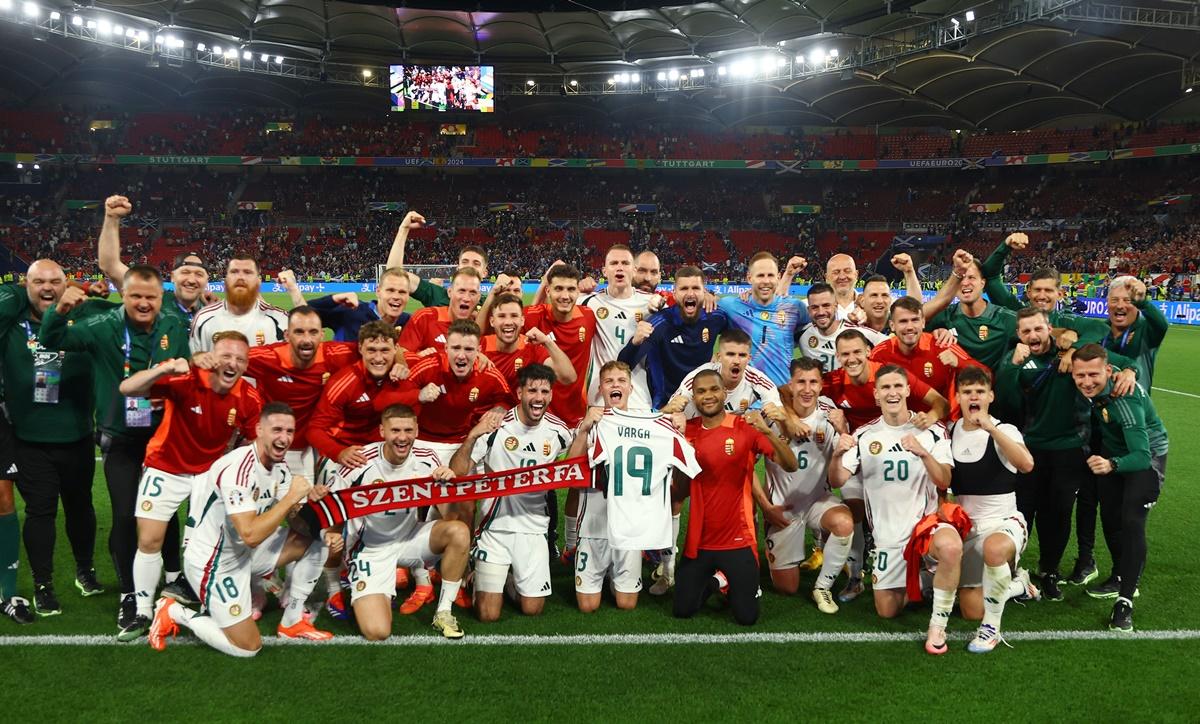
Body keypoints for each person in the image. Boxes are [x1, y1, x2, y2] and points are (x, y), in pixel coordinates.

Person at [39, 265, 191, 639]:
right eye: (135, 295)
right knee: (125, 516)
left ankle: (174, 580)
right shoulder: (103, 326)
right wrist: (59, 310)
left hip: (162, 437)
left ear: (161, 297)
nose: (143, 303)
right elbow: (51, 342)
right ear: (123, 295)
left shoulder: (172, 323)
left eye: (151, 297)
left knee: (166, 511)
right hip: (120, 438)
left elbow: (184, 374)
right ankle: (128, 595)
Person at [147, 403, 336, 655]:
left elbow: (295, 522)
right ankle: (173, 611)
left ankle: (292, 623)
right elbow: (250, 534)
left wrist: (315, 513)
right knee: (247, 648)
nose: (284, 438)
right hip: (214, 562)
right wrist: (291, 497)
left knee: (315, 540)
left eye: (289, 431)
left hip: (246, 552)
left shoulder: (279, 467)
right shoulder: (239, 469)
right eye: (277, 430)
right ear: (259, 430)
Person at [119, 332, 262, 634]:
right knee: (149, 541)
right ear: (212, 356)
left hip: (208, 476)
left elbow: (253, 438)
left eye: (240, 359)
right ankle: (143, 612)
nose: (232, 363)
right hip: (166, 467)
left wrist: (231, 466)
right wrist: (164, 369)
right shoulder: (186, 377)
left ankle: (200, 600)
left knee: (202, 547)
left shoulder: (248, 398)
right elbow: (127, 388)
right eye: (226, 355)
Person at [995, 307, 1138, 600]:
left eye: (1038, 329)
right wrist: (1013, 365)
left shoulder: (1074, 355)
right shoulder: (1018, 360)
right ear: (1018, 335)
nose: (1033, 335)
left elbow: (1118, 358)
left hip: (1069, 450)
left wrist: (1130, 369)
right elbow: (1005, 398)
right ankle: (1013, 572)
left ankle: (1049, 572)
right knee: (1022, 512)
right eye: (1026, 331)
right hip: (1029, 449)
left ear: (1050, 328)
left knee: (1058, 514)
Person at [0, 261, 103, 620]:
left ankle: (85, 570)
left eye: (55, 281)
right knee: (40, 513)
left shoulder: (87, 318)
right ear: (25, 286)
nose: (47, 287)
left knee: (81, 508)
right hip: (29, 439)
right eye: (38, 282)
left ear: (66, 284)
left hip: (77, 436)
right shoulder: (10, 324)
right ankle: (43, 585)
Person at [822, 328, 948, 602]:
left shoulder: (888, 376)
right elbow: (794, 389)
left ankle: (927, 566)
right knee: (854, 509)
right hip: (860, 449)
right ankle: (856, 578)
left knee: (927, 502)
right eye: (845, 354)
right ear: (837, 357)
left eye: (857, 352)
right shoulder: (833, 381)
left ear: (868, 351)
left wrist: (930, 417)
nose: (852, 358)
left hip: (901, 442)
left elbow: (940, 402)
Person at [565, 361, 700, 613]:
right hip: (594, 524)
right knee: (587, 606)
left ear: (629, 388)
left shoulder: (651, 423)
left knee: (626, 604)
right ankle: (602, 571)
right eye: (608, 381)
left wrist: (678, 427)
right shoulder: (592, 421)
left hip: (630, 526)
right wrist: (584, 429)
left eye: (621, 381)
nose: (615, 385)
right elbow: (571, 471)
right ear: (600, 389)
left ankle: (615, 574)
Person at [331, 404, 472, 640]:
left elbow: (450, 517)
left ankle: (444, 612)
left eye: (408, 430)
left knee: (458, 532)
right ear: (382, 431)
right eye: (395, 430)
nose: (402, 437)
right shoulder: (359, 462)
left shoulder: (427, 459)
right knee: (377, 632)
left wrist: (450, 489)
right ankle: (362, 589)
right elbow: (332, 511)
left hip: (409, 539)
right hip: (370, 551)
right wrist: (335, 542)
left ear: (417, 431)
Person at [448, 364, 572, 622]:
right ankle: (480, 574)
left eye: (544, 391)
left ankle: (505, 580)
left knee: (533, 609)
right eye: (532, 390)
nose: (538, 397)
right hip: (495, 528)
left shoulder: (559, 432)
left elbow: (576, 465)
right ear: (519, 393)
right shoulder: (496, 427)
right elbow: (458, 473)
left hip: (535, 529)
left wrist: (584, 431)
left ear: (551, 395)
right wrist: (472, 436)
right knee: (487, 614)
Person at [674, 369, 798, 625]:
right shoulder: (687, 432)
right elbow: (677, 492)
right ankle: (714, 582)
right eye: (701, 391)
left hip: (738, 541)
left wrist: (768, 432)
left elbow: (791, 465)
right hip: (699, 544)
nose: (708, 396)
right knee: (683, 610)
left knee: (746, 617)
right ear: (694, 398)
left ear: (724, 392)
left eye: (713, 389)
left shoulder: (745, 428)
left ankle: (724, 579)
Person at [1071, 344, 1168, 631]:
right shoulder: (1095, 390)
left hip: (1145, 460)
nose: (1087, 381)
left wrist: (1111, 464)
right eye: (1080, 375)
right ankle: (1119, 576)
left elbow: (1140, 454)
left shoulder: (1124, 398)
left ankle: (1125, 601)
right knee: (1111, 518)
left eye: (1093, 374)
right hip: (1114, 455)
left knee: (1131, 521)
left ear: (1108, 371)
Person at [943, 366, 1035, 654]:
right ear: (958, 397)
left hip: (1004, 521)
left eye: (980, 392)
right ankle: (1019, 584)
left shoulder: (1005, 429)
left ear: (990, 396)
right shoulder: (950, 431)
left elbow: (1026, 464)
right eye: (967, 392)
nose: (974, 397)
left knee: (995, 549)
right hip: (968, 527)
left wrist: (991, 429)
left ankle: (991, 629)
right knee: (970, 609)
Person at [761, 358, 855, 613]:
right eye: (801, 381)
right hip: (782, 509)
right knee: (787, 588)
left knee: (844, 522)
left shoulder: (830, 413)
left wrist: (843, 428)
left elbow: (841, 466)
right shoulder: (771, 415)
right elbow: (745, 466)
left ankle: (822, 587)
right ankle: (795, 551)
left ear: (822, 385)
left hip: (816, 500)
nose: (807, 388)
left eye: (813, 382)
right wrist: (765, 507)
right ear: (790, 384)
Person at [307, 321, 419, 471]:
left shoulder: (408, 371)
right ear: (360, 348)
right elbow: (314, 429)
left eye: (385, 350)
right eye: (371, 350)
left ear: (396, 350)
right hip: (347, 453)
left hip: (385, 452)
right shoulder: (344, 383)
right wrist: (339, 453)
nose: (378, 358)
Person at [617, 265, 730, 409]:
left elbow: (741, 339)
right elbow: (623, 366)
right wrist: (635, 342)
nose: (690, 294)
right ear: (675, 294)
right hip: (666, 405)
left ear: (704, 292)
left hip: (703, 402)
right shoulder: (660, 323)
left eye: (696, 288)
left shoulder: (716, 317)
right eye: (684, 289)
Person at [97, 195, 210, 325]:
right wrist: (112, 218)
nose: (191, 279)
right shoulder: (154, 301)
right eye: (185, 272)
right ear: (173, 276)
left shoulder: (216, 312)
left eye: (199, 274)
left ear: (207, 279)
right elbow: (110, 265)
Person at [870, 296, 986, 419]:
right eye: (903, 321)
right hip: (896, 424)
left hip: (942, 423)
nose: (910, 327)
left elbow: (986, 375)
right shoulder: (879, 354)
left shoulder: (942, 344)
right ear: (892, 325)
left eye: (915, 320)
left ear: (923, 322)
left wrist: (959, 363)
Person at [579, 245, 658, 409]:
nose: (619, 267)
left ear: (634, 270)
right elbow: (554, 306)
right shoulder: (589, 302)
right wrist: (578, 288)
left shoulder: (652, 302)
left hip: (640, 400)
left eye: (625, 263)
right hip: (600, 401)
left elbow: (685, 305)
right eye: (614, 263)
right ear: (604, 271)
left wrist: (709, 296)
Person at [717, 252, 809, 387]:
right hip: (747, 400)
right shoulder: (731, 306)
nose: (766, 281)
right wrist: (709, 295)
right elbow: (704, 303)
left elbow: (817, 323)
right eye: (760, 275)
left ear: (778, 277)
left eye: (770, 275)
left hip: (782, 397)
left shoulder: (794, 307)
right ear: (749, 278)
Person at [664, 329, 782, 418]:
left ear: (749, 358)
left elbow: (779, 411)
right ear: (719, 357)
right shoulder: (699, 377)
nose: (736, 361)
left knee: (773, 419)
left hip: (729, 432)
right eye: (730, 354)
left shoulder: (758, 380)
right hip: (696, 428)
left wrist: (780, 414)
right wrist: (670, 408)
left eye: (742, 355)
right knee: (675, 416)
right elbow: (667, 411)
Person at [278, 267, 411, 342]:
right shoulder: (352, 311)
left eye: (402, 292)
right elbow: (303, 316)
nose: (396, 297)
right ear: (378, 291)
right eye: (390, 290)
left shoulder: (410, 322)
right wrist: (333, 299)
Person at [190, 256, 287, 353]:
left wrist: (294, 290)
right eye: (234, 272)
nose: (240, 277)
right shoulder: (203, 318)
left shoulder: (279, 318)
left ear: (259, 281)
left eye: (248, 272)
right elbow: (195, 363)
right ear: (226, 280)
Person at [480, 293, 576, 388]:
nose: (508, 322)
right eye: (501, 316)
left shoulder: (532, 348)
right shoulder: (480, 346)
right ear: (492, 321)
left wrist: (548, 342)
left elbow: (568, 378)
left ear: (522, 320)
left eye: (514, 316)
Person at [797, 282, 887, 372]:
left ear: (835, 307)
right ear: (809, 310)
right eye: (815, 307)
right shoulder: (803, 334)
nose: (821, 312)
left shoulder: (857, 331)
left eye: (826, 306)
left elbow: (893, 344)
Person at [397, 267, 483, 354]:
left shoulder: (482, 327)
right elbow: (401, 355)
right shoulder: (424, 317)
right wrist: (418, 358)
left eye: (473, 293)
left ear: (478, 297)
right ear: (450, 292)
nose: (466, 298)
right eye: (461, 291)